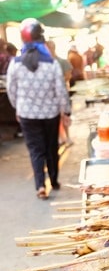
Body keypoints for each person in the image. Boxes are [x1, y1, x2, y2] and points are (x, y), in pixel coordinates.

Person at [6, 18, 71, 199]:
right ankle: (54, 180)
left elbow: (12, 90)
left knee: (36, 149)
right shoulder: (51, 64)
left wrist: (18, 108)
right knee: (51, 147)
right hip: (50, 114)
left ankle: (40, 186)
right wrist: (65, 111)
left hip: (27, 114)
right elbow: (61, 90)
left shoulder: (15, 64)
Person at [46, 40, 73, 146]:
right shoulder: (46, 63)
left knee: (65, 115)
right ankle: (58, 138)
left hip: (63, 93)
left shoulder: (62, 62)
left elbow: (68, 76)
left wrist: (56, 81)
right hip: (51, 95)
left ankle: (67, 137)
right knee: (54, 117)